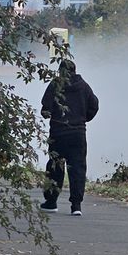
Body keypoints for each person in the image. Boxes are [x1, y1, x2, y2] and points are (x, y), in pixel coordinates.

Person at [40, 59, 99, 215]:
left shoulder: (55, 85)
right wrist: (83, 119)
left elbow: (45, 108)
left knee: (55, 167)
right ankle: (76, 206)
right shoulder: (84, 87)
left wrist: (49, 113)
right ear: (75, 70)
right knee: (78, 169)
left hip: (58, 133)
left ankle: (51, 202)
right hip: (78, 134)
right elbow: (94, 105)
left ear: (60, 71)